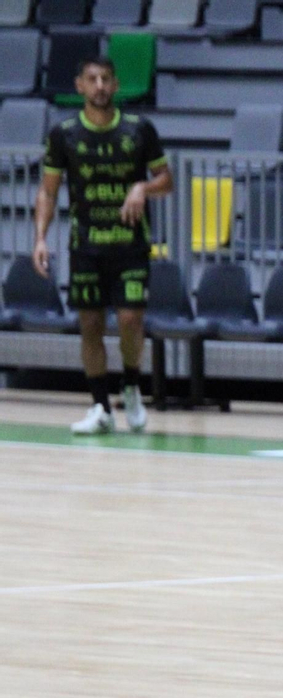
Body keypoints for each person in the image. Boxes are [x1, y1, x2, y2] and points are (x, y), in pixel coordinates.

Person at [34, 55, 170, 435]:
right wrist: (40, 238)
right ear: (79, 86)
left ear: (115, 86)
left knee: (130, 319)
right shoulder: (64, 135)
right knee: (90, 325)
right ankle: (99, 406)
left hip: (130, 244)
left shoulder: (139, 129)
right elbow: (48, 192)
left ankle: (129, 385)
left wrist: (143, 187)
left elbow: (167, 179)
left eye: (106, 79)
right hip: (86, 245)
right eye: (91, 79)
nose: (99, 86)